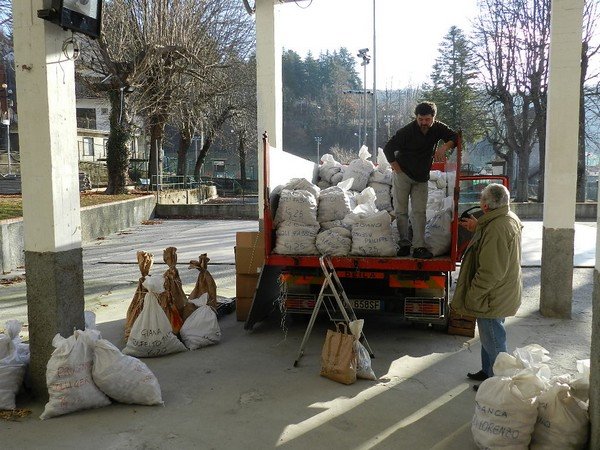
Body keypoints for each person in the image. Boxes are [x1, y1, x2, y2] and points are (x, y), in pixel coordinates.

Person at [450, 183, 523, 391]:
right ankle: (488, 371)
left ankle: (498, 384)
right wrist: (477, 227)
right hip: (501, 291)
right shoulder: (504, 218)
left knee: (494, 339)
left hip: (492, 295)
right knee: (488, 335)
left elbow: (490, 272)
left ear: (485, 206)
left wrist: (473, 295)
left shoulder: (497, 228)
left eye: (482, 199)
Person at [383, 101, 457, 259]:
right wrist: (397, 170)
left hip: (422, 177)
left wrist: (443, 147)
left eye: (427, 120)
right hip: (402, 174)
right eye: (420, 119)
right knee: (401, 211)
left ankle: (418, 247)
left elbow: (454, 137)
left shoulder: (437, 128)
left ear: (433, 118)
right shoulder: (406, 131)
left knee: (419, 213)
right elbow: (388, 148)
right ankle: (404, 244)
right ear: (416, 118)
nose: (424, 123)